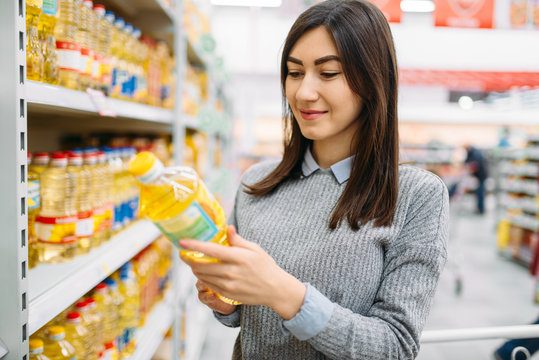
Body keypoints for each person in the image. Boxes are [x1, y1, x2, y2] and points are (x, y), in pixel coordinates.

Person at [180, 1, 449, 358]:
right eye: (294, 72)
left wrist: (284, 292)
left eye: (328, 73)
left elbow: (394, 347)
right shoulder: (256, 183)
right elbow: (247, 316)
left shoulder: (417, 196)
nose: (304, 92)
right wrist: (226, 300)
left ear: (371, 80)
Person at [464, 144, 489, 214]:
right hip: (478, 175)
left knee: (480, 192)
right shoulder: (471, 153)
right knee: (479, 192)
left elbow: (475, 164)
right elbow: (467, 161)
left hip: (481, 175)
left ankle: (481, 209)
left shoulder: (476, 153)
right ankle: (480, 208)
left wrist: (469, 168)